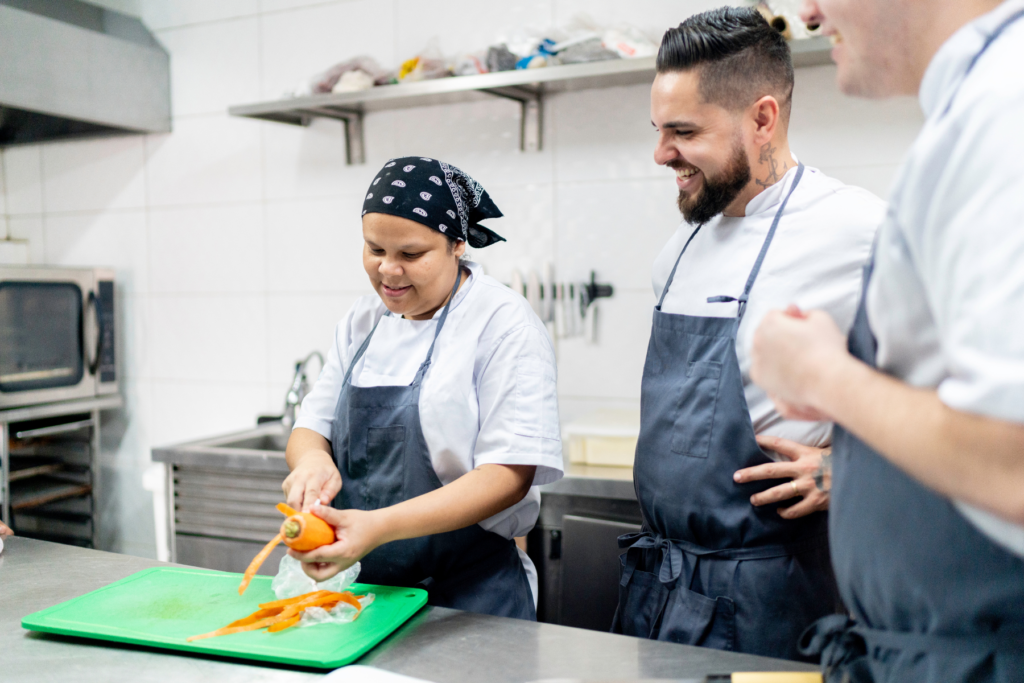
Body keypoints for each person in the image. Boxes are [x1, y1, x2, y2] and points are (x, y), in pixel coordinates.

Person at [750, 0, 1024, 680]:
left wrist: (822, 375)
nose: (807, 13)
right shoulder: (979, 105)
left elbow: (1012, 460)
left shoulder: (1005, 109)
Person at [611, 8, 885, 660]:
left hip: (773, 595)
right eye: (658, 130)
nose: (660, 154)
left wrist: (850, 475)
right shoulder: (678, 248)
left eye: (683, 131)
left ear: (763, 118)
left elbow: (970, 399)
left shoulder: (861, 229)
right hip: (657, 589)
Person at [282, 157, 563, 620]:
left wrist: (378, 527)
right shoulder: (362, 321)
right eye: (375, 250)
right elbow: (312, 425)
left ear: (457, 244)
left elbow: (508, 477)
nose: (389, 271)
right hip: (368, 599)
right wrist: (312, 461)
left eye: (411, 255)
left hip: (471, 601)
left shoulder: (502, 323)